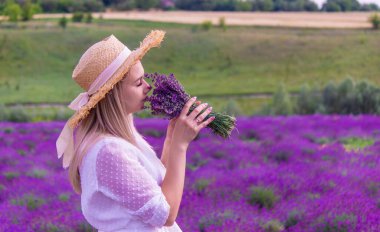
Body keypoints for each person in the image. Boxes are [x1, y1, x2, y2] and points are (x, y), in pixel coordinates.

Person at [56, 30, 215, 232]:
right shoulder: (108, 150)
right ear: (113, 95)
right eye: (138, 82)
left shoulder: (119, 139)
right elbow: (165, 214)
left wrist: (170, 140)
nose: (148, 86)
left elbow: (157, 189)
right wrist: (179, 146)